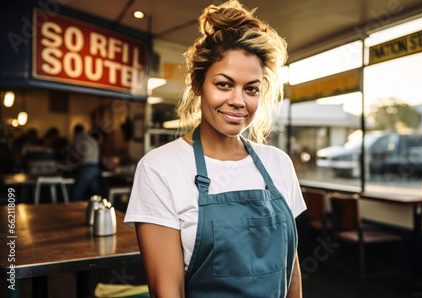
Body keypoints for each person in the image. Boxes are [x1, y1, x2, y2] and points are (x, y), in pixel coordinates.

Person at [124, 1, 306, 297]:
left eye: (251, 88)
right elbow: (168, 292)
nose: (239, 100)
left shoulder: (279, 164)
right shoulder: (160, 168)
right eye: (224, 84)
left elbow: (291, 271)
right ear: (197, 84)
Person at [71, 124, 100, 202]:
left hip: (88, 168)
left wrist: (70, 163)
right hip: (95, 168)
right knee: (94, 195)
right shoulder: (90, 138)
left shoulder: (79, 137)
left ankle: (74, 212)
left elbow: (78, 153)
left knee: (77, 194)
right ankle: (95, 212)